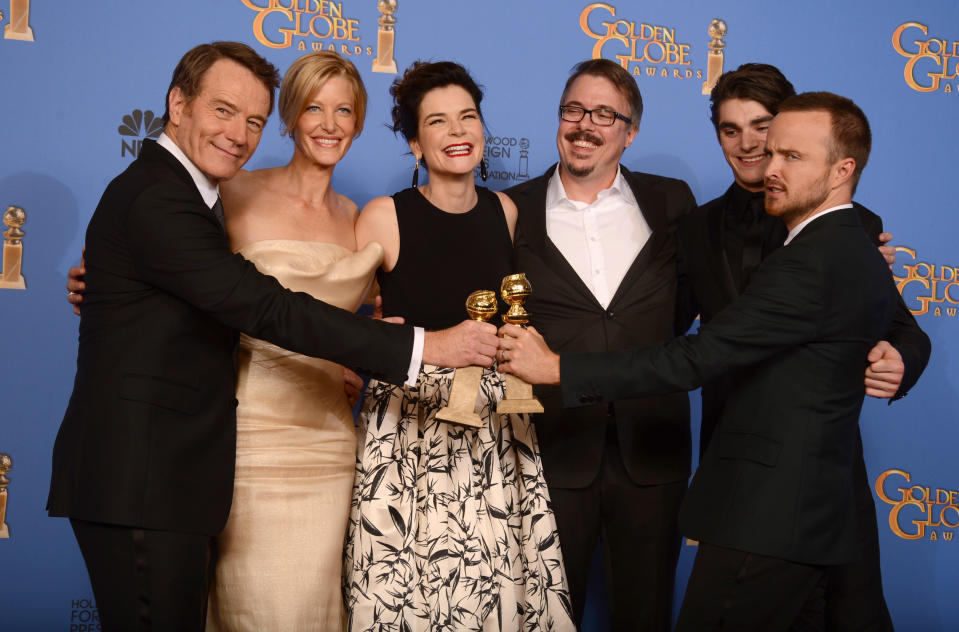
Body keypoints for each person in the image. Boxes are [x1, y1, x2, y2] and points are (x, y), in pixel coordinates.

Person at [48, 42, 497, 631]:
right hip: (204, 451)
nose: (239, 132)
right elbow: (258, 305)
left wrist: (366, 338)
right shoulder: (194, 194)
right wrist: (424, 347)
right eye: (225, 111)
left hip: (275, 448)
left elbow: (360, 300)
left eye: (251, 121)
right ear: (177, 105)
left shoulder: (352, 218)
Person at [499, 92, 916, 631]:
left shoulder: (823, 254)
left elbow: (699, 355)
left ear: (843, 169)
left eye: (791, 155)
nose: (768, 163)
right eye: (768, 148)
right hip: (786, 505)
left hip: (772, 511)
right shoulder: (770, 237)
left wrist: (560, 370)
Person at [677, 63, 930, 630]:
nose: (748, 144)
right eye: (729, 129)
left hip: (821, 473)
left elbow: (908, 329)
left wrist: (899, 360)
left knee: (848, 616)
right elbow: (670, 334)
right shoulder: (693, 229)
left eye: (763, 128)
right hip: (735, 459)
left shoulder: (850, 223)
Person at [343, 60, 575, 631]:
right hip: (412, 429)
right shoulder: (384, 216)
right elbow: (340, 322)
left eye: (468, 117)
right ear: (416, 143)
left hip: (495, 425)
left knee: (494, 588)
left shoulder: (506, 211)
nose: (458, 132)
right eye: (438, 122)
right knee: (407, 594)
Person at [503, 58, 696, 630]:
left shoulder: (671, 203)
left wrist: (855, 236)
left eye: (604, 114)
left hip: (652, 448)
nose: (585, 124)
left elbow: (736, 262)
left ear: (630, 132)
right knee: (542, 618)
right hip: (551, 450)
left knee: (646, 615)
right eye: (574, 110)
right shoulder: (510, 210)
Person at [202, 51, 378, 631]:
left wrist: (359, 362)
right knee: (255, 607)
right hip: (249, 435)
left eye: (344, 111)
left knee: (315, 609)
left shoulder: (358, 220)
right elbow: (170, 261)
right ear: (289, 116)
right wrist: (94, 274)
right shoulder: (235, 192)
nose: (329, 124)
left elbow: (367, 323)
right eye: (314, 108)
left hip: (329, 440)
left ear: (358, 121)